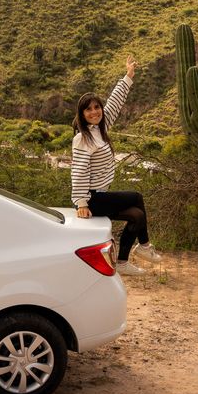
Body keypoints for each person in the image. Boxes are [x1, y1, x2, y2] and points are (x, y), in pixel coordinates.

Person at [71, 55, 162, 275]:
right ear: (82, 115)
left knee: (137, 216)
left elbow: (114, 103)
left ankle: (122, 263)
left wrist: (128, 76)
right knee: (136, 197)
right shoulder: (82, 138)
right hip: (92, 197)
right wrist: (81, 202)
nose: (94, 112)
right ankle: (145, 247)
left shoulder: (101, 128)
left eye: (96, 108)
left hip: (101, 195)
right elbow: (79, 171)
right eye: (88, 110)